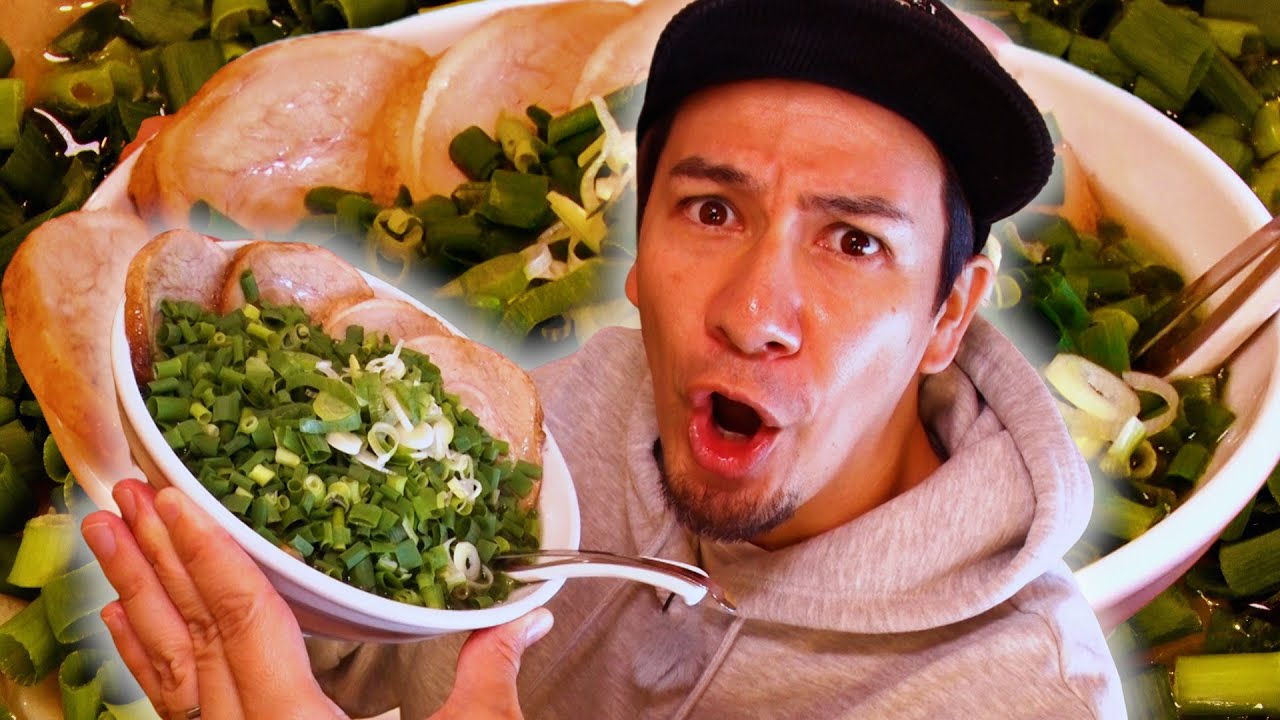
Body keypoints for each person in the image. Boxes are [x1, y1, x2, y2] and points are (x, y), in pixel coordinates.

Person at [82, 0, 1126, 717]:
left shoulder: (1020, 694)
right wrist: (236, 661)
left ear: (949, 315)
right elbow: (360, 648)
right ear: (636, 249)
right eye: (710, 210)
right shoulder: (561, 422)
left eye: (854, 242)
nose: (752, 313)